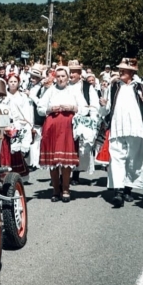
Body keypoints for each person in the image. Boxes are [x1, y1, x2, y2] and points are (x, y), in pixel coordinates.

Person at [103, 58, 143, 208]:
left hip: (136, 128)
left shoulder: (140, 86)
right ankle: (118, 192)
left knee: (133, 159)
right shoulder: (114, 86)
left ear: (132, 72)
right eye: (120, 69)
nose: (121, 72)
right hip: (117, 127)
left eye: (124, 70)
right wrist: (103, 108)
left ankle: (128, 188)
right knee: (116, 158)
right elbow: (108, 106)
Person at [38, 67, 86, 203]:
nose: (60, 79)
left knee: (66, 161)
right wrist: (49, 109)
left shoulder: (74, 91)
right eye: (58, 76)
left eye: (63, 76)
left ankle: (66, 189)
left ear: (67, 77)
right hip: (52, 125)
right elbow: (40, 108)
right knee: (53, 160)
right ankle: (55, 190)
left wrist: (72, 108)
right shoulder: (50, 91)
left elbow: (84, 107)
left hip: (68, 126)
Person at [67, 60, 100, 185]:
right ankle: (64, 173)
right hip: (67, 119)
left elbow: (94, 104)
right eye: (70, 72)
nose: (72, 75)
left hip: (82, 120)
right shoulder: (65, 85)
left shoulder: (87, 86)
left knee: (80, 148)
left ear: (80, 73)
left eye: (74, 72)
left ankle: (76, 174)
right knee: (67, 146)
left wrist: (93, 121)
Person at [0, 74, 33, 179]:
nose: (13, 83)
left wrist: (29, 125)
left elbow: (28, 111)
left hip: (20, 125)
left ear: (18, 83)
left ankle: (19, 175)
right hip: (7, 125)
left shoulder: (23, 97)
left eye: (15, 81)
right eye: (11, 81)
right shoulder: (4, 96)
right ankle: (6, 174)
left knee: (18, 151)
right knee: (7, 150)